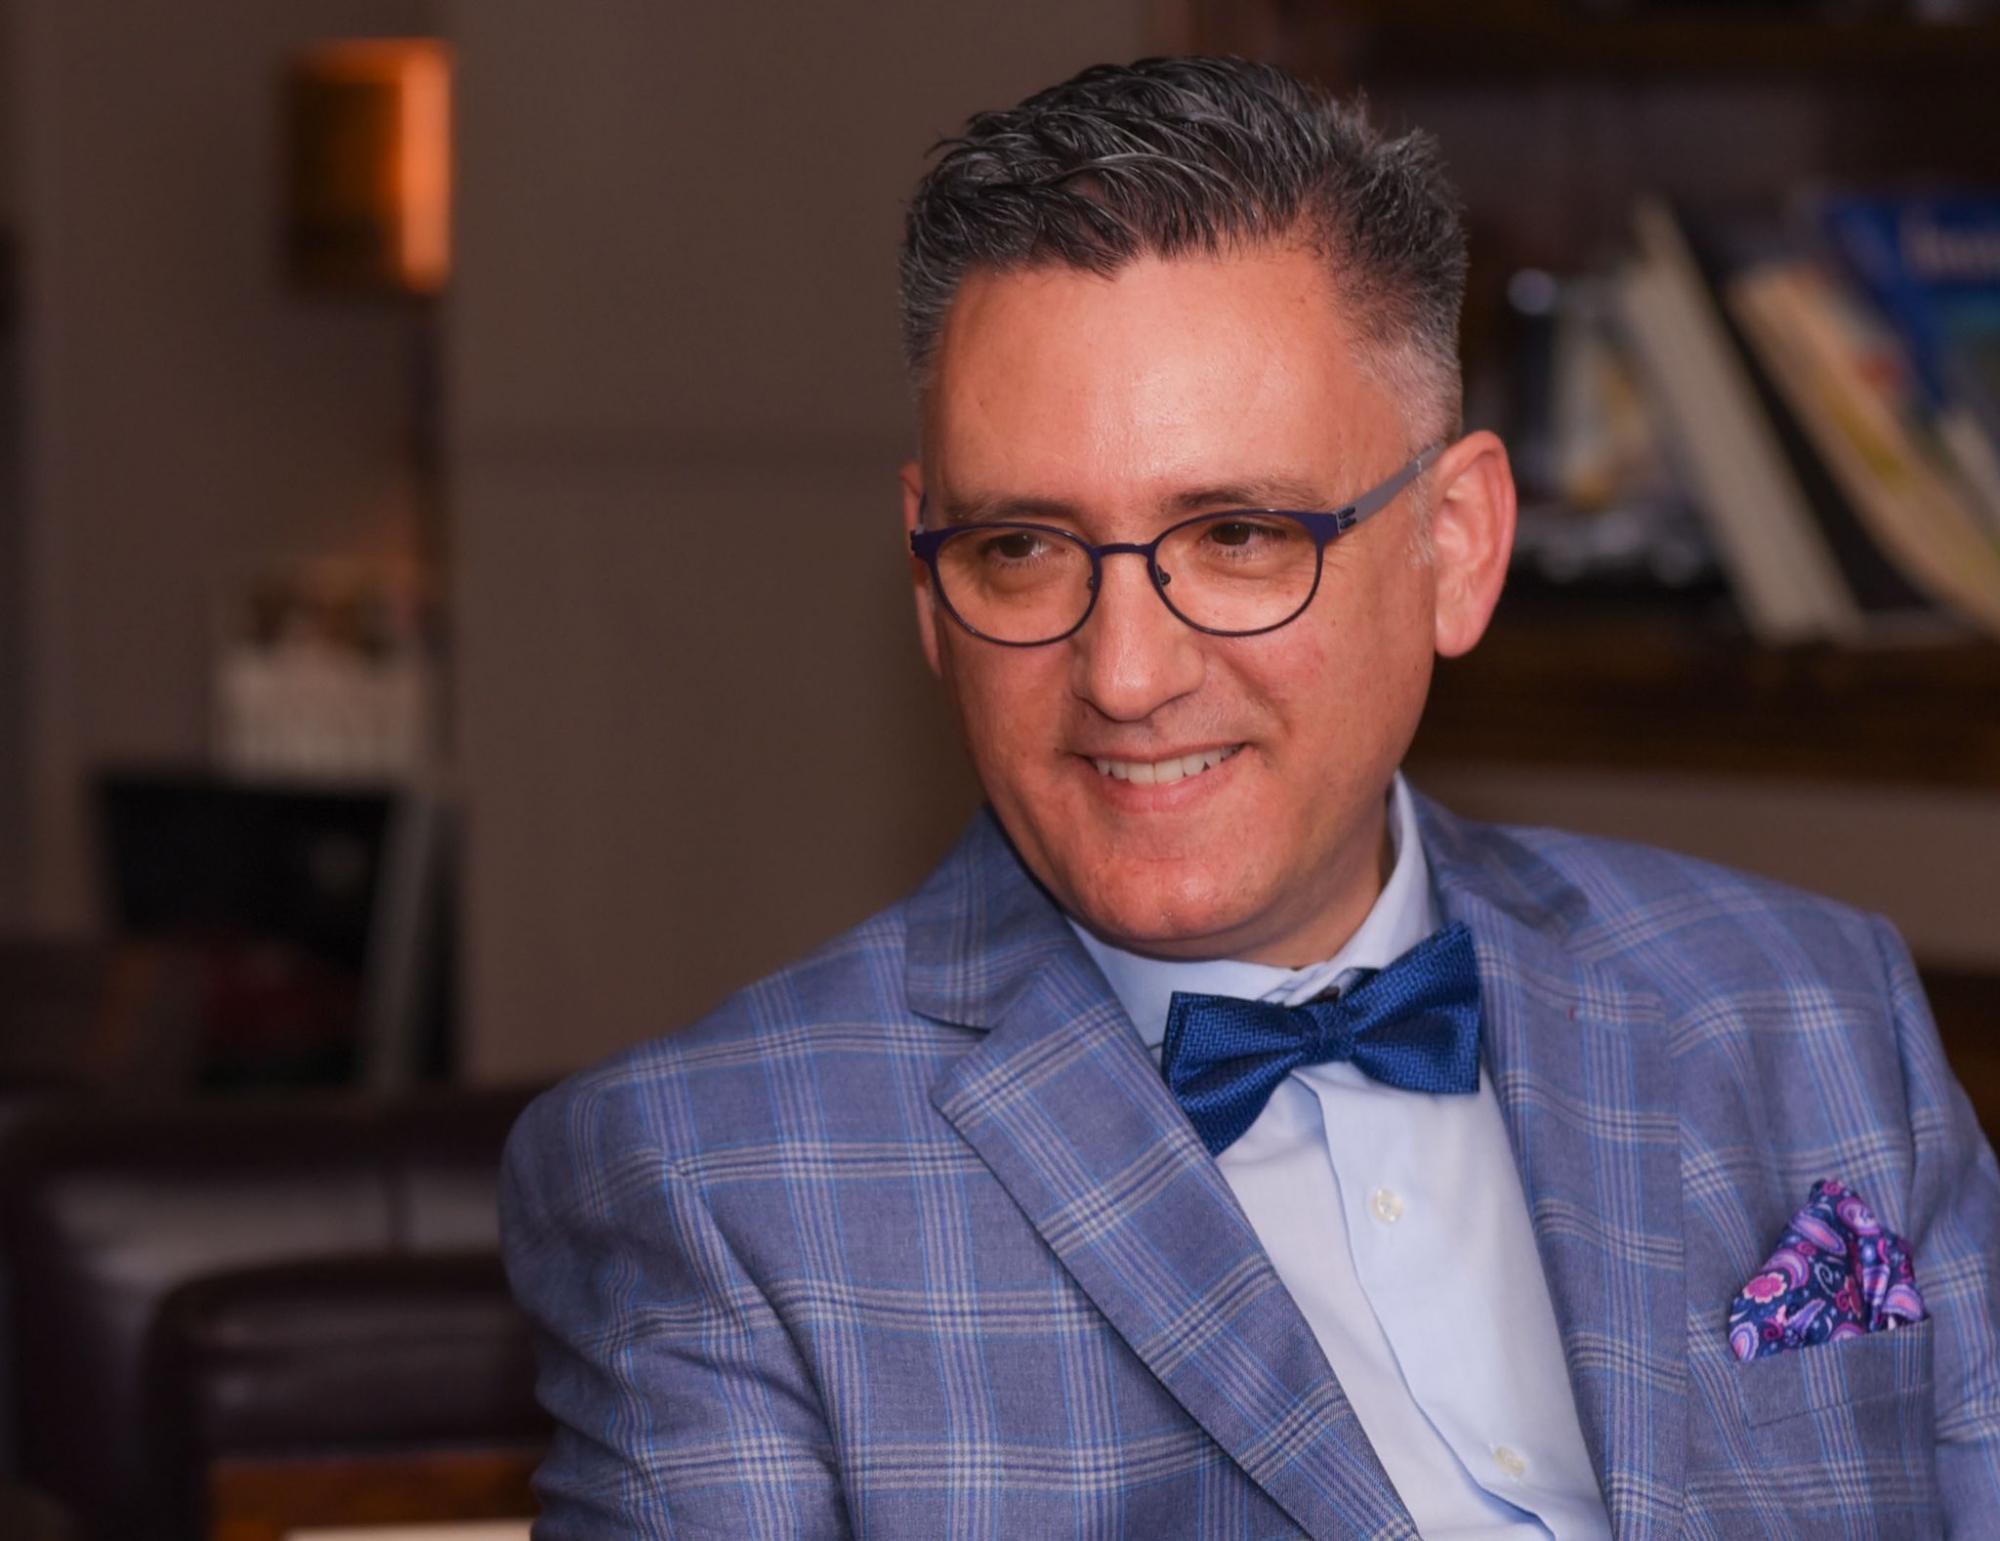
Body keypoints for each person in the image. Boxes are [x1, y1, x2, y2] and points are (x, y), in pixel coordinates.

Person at [500, 56, 2000, 1538]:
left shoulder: (1814, 1011)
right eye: (1022, 548)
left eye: (1234, 535)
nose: (1125, 674)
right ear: (928, 580)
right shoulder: (711, 1184)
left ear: (1457, 544)